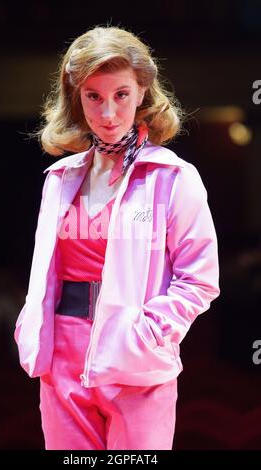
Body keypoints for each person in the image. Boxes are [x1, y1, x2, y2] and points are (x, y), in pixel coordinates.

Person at [14, 25, 220, 450]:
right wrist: (30, 325)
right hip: (62, 358)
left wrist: (147, 333)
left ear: (142, 92)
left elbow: (200, 279)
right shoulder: (59, 178)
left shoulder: (172, 177)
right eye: (94, 96)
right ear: (76, 95)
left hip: (135, 361)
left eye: (121, 94)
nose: (108, 113)